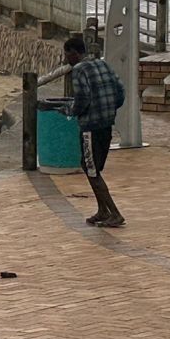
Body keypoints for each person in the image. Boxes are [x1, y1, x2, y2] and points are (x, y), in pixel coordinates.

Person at [64, 35, 125, 228]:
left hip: (91, 126)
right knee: (94, 168)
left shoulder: (79, 70)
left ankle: (114, 213)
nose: (66, 59)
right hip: (106, 124)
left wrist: (71, 112)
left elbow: (82, 98)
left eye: (67, 54)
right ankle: (102, 210)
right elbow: (120, 91)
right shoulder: (103, 64)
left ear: (74, 53)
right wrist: (110, 109)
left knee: (91, 169)